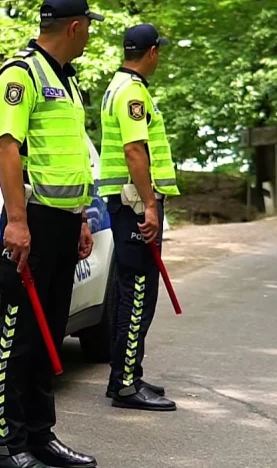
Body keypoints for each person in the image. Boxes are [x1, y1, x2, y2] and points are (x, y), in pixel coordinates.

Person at [0, 0, 103, 468]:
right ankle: (5, 446)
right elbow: (8, 147)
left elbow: (68, 157)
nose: (90, 34)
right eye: (88, 26)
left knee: (49, 336)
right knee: (17, 336)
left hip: (61, 223)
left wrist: (78, 219)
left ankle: (40, 435)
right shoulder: (22, 74)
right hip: (30, 222)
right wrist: (16, 221)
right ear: (75, 27)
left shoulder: (69, 83)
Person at [97, 23, 180, 412]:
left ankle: (125, 375)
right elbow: (134, 150)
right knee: (138, 294)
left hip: (126, 203)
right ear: (151, 53)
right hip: (135, 205)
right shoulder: (132, 92)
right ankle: (126, 384)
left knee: (129, 290)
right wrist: (149, 204)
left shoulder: (119, 86)